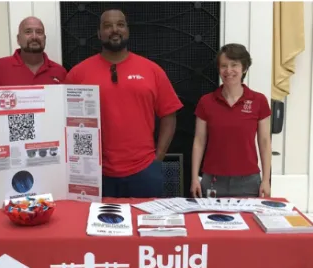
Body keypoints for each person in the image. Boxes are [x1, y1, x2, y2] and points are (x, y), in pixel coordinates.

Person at [65, 9, 183, 198]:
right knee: (96, 226)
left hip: (145, 171)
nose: (114, 30)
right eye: (107, 26)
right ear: (98, 33)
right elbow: (65, 123)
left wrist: (157, 158)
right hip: (94, 172)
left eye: (120, 24)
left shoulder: (152, 71)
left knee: (144, 226)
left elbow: (169, 114)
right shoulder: (78, 74)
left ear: (127, 30)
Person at [190, 44, 272, 198]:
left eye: (234, 65)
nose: (229, 71)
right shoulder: (206, 102)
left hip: (249, 181)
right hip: (212, 181)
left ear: (245, 68)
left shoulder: (259, 101)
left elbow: (265, 141)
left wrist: (266, 180)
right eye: (223, 66)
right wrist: (195, 178)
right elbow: (199, 140)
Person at [0, 16, 67, 86]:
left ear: (44, 38)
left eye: (39, 32)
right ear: (18, 39)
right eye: (28, 32)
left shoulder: (60, 72)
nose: (34, 37)